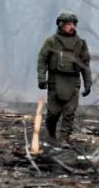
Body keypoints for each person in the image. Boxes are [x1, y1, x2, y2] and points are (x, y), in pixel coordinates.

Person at [36, 11, 92, 145]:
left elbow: (85, 64)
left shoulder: (80, 43)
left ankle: (64, 138)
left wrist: (88, 83)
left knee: (70, 111)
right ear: (61, 25)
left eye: (73, 24)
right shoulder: (51, 42)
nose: (71, 26)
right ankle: (51, 134)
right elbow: (42, 60)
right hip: (55, 80)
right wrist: (41, 78)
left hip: (73, 81)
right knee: (53, 113)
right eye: (68, 24)